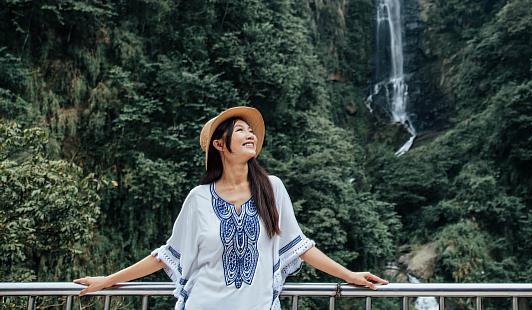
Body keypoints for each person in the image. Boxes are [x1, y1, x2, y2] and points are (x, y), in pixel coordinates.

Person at [74, 106, 388, 310]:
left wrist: (350, 275)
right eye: (240, 130)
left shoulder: (272, 189)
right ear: (219, 145)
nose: (250, 134)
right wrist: (107, 280)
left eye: (250, 131)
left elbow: (300, 247)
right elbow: (167, 255)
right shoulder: (198, 199)